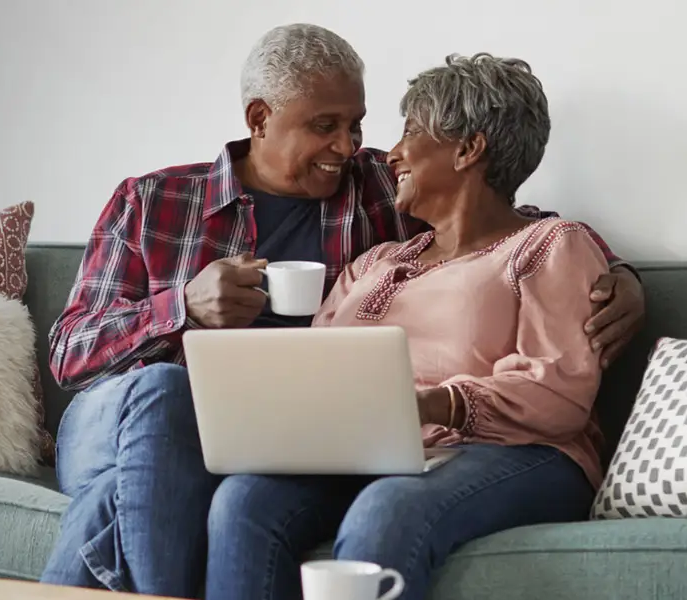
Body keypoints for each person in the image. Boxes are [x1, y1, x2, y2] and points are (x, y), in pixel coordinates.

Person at [39, 23, 644, 599]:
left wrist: (621, 274)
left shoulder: (377, 188)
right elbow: (70, 353)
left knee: (186, 498)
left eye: (356, 125)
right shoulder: (154, 200)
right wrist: (183, 308)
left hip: (302, 435)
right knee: (166, 394)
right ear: (260, 119)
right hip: (129, 415)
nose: (352, 147)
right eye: (325, 125)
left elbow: (510, 227)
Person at [200, 52, 608, 600]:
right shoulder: (375, 263)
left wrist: (431, 404)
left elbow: (559, 393)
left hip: (518, 453)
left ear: (467, 149)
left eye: (411, 132)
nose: (390, 153)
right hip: (372, 452)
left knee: (386, 509)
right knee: (243, 499)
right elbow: (317, 371)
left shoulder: (549, 245)